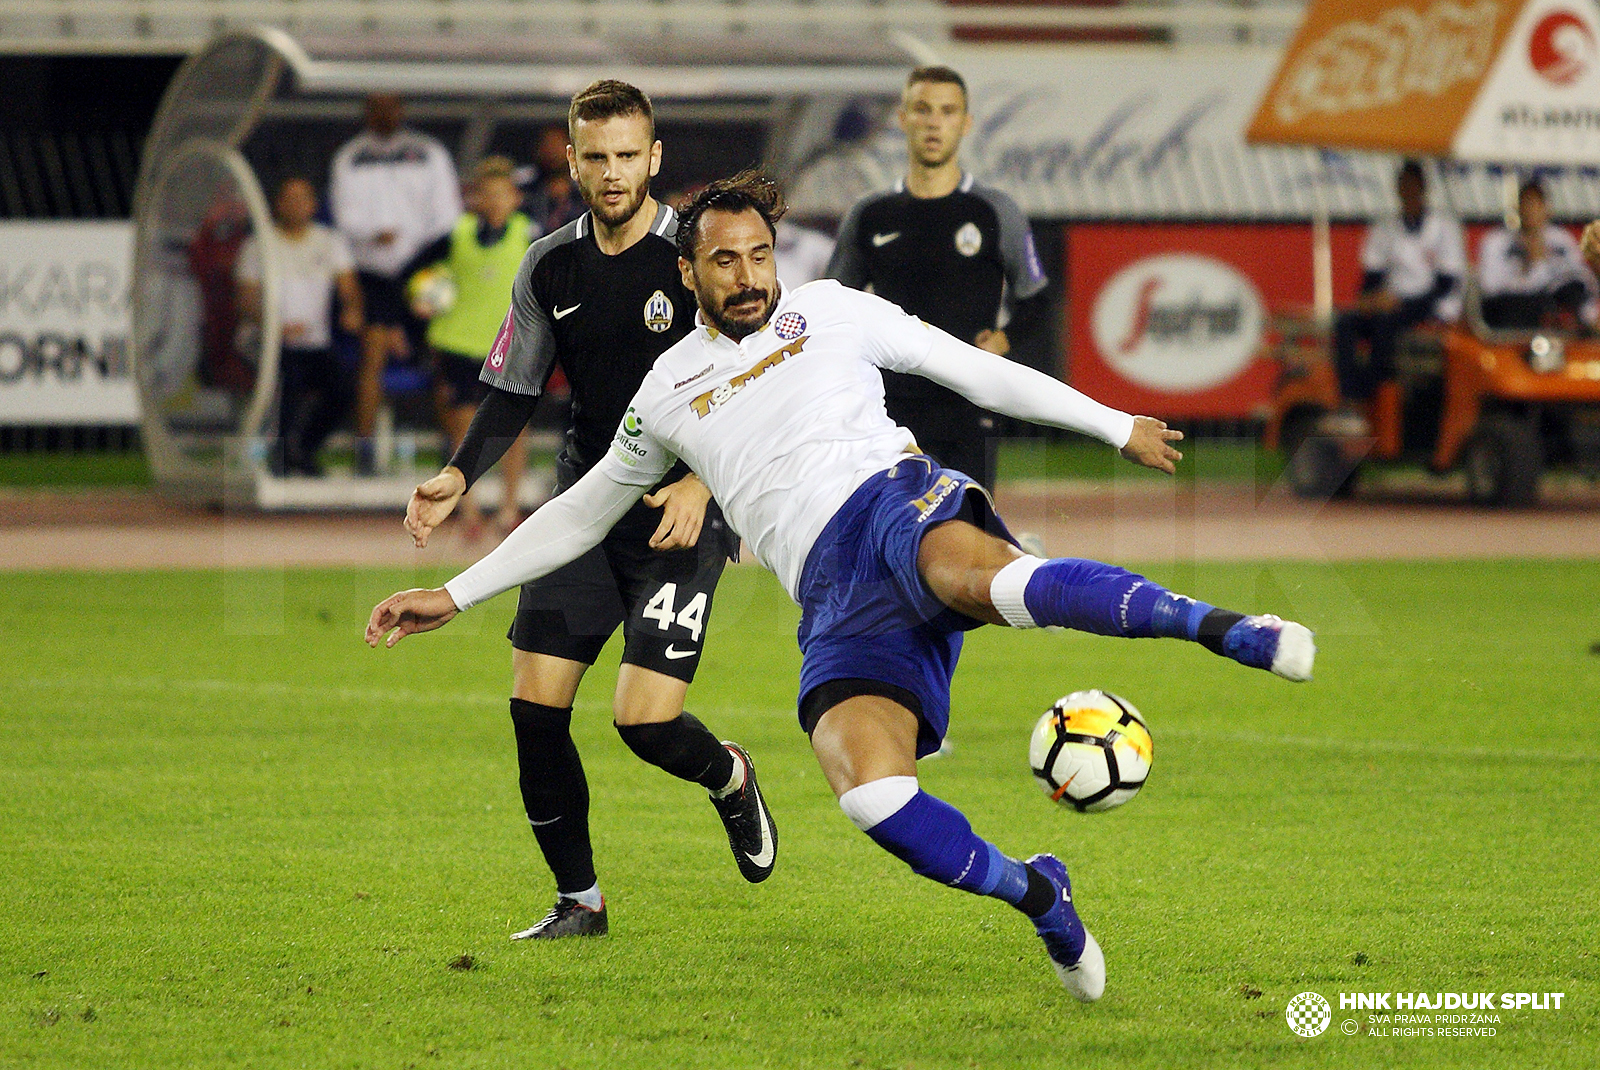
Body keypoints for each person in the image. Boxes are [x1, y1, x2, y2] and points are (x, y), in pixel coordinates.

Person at [367, 172, 1317, 998]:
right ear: (688, 274)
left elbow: (970, 371)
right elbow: (578, 513)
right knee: (871, 797)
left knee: (985, 578)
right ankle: (1041, 894)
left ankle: (1229, 629)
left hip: (896, 503)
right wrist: (453, 594)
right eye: (726, 262)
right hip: (830, 593)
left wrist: (1114, 426)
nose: (749, 276)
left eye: (760, 254)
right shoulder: (664, 393)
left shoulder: (827, 310)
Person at [399, 82, 771, 941]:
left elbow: (759, 378)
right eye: (595, 156)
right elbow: (512, 389)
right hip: (583, 503)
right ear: (569, 160)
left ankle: (730, 779)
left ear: (656, 158)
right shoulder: (549, 265)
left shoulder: (699, 254)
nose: (612, 174)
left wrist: (705, 484)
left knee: (644, 723)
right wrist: (459, 475)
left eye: (628, 155)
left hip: (681, 512)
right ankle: (581, 902)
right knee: (535, 708)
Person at [827, 66, 1051, 490]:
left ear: (965, 124)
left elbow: (1035, 296)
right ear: (902, 118)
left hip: (969, 402)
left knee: (971, 534)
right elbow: (835, 302)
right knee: (894, 535)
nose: (934, 122)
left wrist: (1004, 339)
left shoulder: (994, 210)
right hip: (890, 407)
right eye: (922, 109)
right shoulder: (870, 213)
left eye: (947, 111)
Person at [403, 156, 537, 536]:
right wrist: (418, 300)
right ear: (475, 198)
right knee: (461, 422)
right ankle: (468, 509)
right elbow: (411, 272)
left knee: (514, 426)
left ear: (514, 198)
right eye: (487, 194)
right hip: (457, 341)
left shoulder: (530, 234)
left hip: (511, 342)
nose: (495, 201)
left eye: (502, 194)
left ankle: (510, 507)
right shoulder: (456, 234)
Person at [330, 93, 463, 472]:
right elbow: (344, 216)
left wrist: (415, 255)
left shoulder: (429, 153)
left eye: (391, 105)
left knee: (441, 354)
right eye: (376, 106)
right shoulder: (350, 157)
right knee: (371, 355)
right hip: (372, 273)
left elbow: (447, 217)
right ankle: (366, 450)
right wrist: (373, 234)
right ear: (366, 111)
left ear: (402, 109)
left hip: (423, 270)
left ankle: (452, 450)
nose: (384, 113)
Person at [236, 176, 364, 476]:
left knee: (343, 388)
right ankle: (279, 457)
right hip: (265, 343)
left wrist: (352, 309)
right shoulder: (259, 244)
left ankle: (303, 449)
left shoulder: (328, 241)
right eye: (289, 199)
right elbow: (246, 299)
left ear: (313, 206)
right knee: (288, 380)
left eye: (302, 199)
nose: (296, 205)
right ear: (278, 205)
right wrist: (273, 327)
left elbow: (349, 288)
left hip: (313, 343)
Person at [1331, 160, 1465, 416]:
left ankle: (1365, 394)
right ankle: (1348, 394)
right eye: (1404, 184)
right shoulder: (1385, 228)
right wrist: (1369, 299)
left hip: (1429, 305)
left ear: (1424, 188)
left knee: (1386, 324)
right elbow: (1372, 277)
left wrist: (1401, 303)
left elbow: (1447, 284)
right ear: (1398, 189)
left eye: (1414, 185)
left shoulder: (1442, 228)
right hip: (1390, 302)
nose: (1409, 191)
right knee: (1346, 323)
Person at [1478, 180, 1597, 331]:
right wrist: (1528, 265)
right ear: (1518, 208)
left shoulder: (1562, 241)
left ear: (1547, 209)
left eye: (1537, 205)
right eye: (1527, 204)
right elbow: (1490, 288)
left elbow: (1578, 278)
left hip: (1550, 306)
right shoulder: (1497, 241)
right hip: (1512, 309)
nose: (1531, 210)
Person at [524, 124, 586, 235]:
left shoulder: (585, 193)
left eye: (557, 145)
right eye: (547, 145)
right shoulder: (526, 193)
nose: (552, 152)